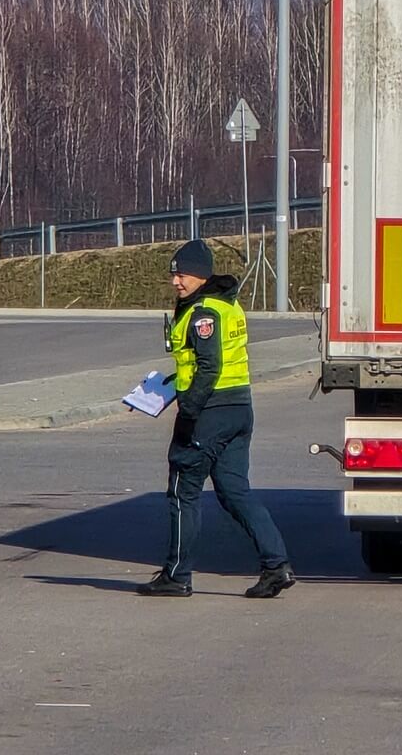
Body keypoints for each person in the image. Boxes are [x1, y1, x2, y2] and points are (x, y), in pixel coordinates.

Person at [139, 240, 295, 599]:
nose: (176, 281)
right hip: (239, 407)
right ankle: (277, 565)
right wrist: (164, 388)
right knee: (234, 491)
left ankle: (177, 575)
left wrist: (189, 412)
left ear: (201, 275)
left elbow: (209, 367)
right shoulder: (226, 304)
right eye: (173, 274)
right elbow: (198, 365)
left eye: (182, 274)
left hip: (210, 412)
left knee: (183, 491)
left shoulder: (202, 313)